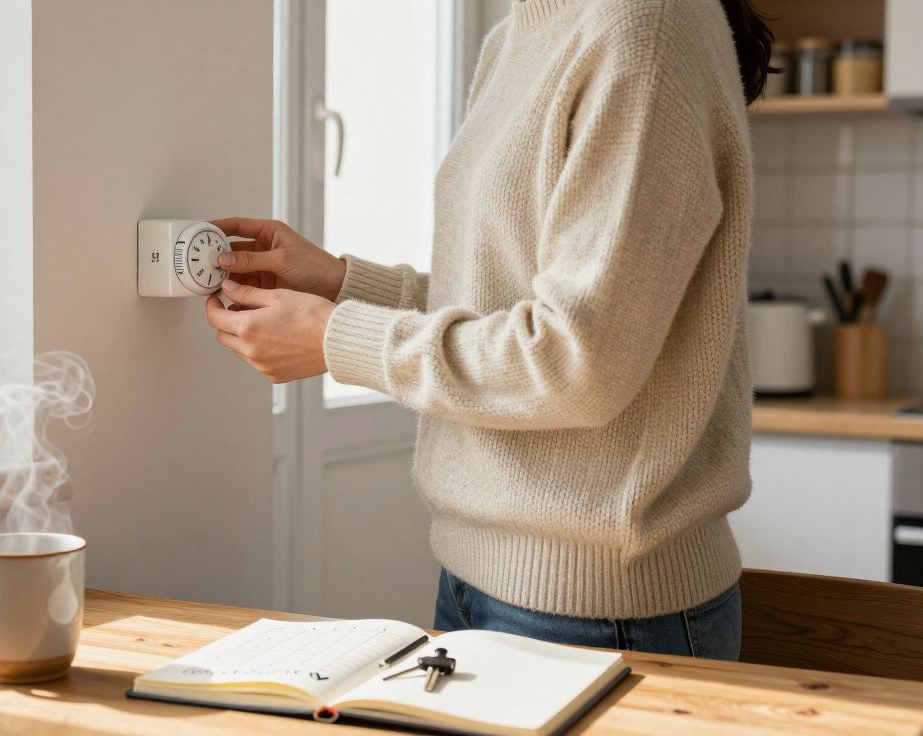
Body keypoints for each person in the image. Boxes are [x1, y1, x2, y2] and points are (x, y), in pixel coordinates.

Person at [203, 0, 776, 660]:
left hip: (601, 612)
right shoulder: (520, 32)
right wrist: (340, 284)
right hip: (475, 585)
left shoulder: (645, 25)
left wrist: (338, 337)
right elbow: (502, 299)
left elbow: (575, 363)